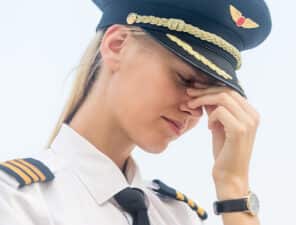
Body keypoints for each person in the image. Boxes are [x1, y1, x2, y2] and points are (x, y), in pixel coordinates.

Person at [0, 0, 272, 224]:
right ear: (117, 45)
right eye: (185, 79)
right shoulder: (16, 201)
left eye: (208, 97)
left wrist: (234, 187)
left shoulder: (179, 217)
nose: (194, 110)